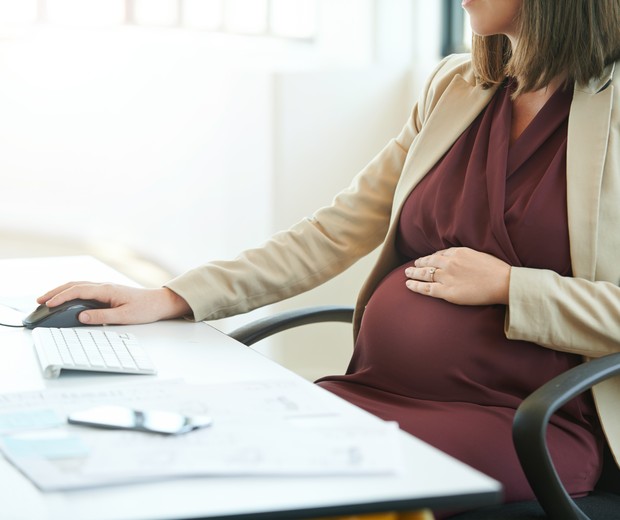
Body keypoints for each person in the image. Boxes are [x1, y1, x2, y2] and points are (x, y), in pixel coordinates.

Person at [38, 0, 620, 513]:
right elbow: (334, 230)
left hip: (519, 420)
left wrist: (510, 288)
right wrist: (174, 296)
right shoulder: (456, 87)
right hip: (376, 389)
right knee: (208, 449)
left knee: (288, 478)